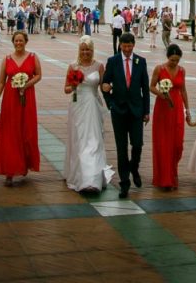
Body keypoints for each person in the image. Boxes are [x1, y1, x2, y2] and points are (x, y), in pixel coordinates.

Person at [101, 31, 150, 199]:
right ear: (120, 45)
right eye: (124, 46)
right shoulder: (113, 61)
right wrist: (110, 103)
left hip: (136, 111)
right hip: (119, 111)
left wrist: (146, 111)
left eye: (130, 46)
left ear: (133, 45)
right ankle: (124, 183)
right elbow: (105, 83)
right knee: (121, 149)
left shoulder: (140, 61)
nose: (127, 49)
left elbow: (145, 88)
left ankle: (134, 167)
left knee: (137, 144)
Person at [63, 38, 114, 194]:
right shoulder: (73, 66)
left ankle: (92, 179)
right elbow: (66, 89)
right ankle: (80, 175)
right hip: (77, 105)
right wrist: (73, 85)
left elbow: (103, 86)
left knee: (93, 140)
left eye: (88, 50)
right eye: (83, 49)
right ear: (79, 50)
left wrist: (109, 86)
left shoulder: (99, 66)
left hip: (93, 105)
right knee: (79, 140)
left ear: (93, 50)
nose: (85, 52)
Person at [0, 30, 42, 186]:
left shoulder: (33, 57)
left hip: (27, 99)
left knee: (26, 132)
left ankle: (24, 164)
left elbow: (39, 75)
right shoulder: (6, 59)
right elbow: (1, 82)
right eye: (16, 41)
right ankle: (9, 171)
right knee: (10, 133)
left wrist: (26, 85)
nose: (18, 43)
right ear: (13, 42)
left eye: (21, 40)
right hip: (10, 100)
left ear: (26, 41)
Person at [150, 43, 191, 190]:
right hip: (163, 108)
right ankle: (165, 178)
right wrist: (161, 94)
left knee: (177, 144)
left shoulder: (182, 70)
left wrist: (187, 109)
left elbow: (184, 90)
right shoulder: (159, 69)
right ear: (168, 57)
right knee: (163, 143)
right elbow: (152, 86)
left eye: (177, 60)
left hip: (177, 108)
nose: (174, 63)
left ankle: (173, 172)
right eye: (172, 60)